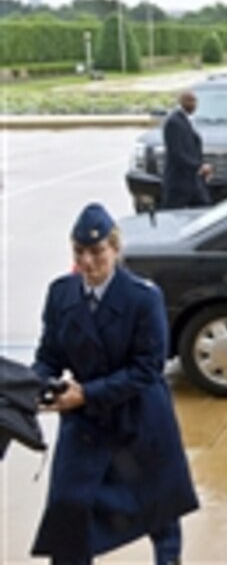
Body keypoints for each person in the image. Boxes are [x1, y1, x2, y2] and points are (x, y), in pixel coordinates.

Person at [31, 202, 198, 565]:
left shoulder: (143, 297)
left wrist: (86, 394)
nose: (88, 262)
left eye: (97, 252)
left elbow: (148, 368)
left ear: (115, 249)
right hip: (87, 422)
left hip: (139, 416)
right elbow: (49, 354)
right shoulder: (61, 294)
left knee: (160, 509)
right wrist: (37, 384)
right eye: (79, 252)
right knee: (68, 506)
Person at [161, 90, 212, 209]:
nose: (195, 105)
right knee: (172, 214)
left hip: (192, 180)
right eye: (191, 101)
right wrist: (199, 166)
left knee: (204, 209)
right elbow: (176, 154)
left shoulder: (185, 120)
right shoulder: (173, 122)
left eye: (195, 101)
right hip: (178, 182)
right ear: (183, 102)